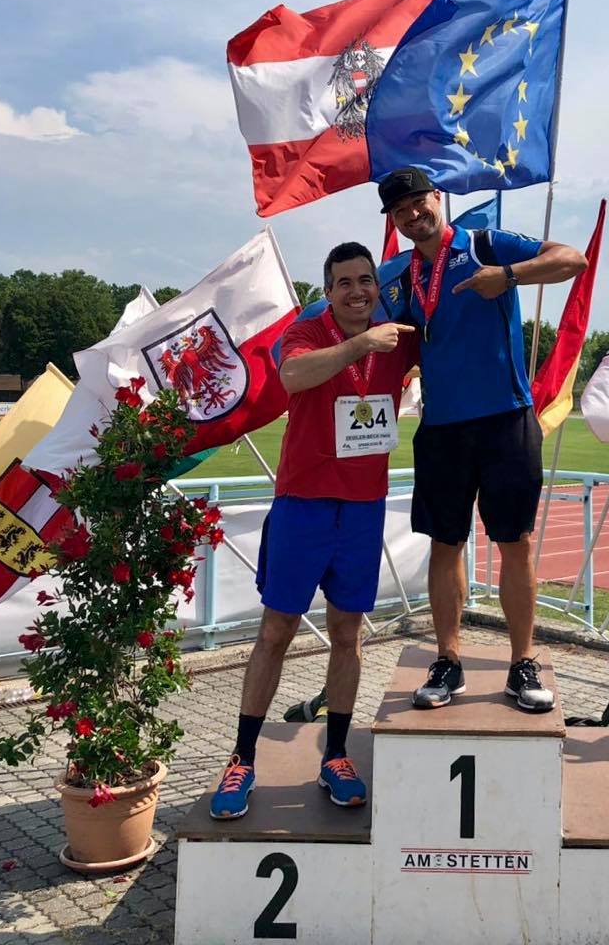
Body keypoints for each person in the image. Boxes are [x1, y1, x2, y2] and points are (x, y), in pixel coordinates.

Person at [210, 242, 418, 818]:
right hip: (303, 504)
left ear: (377, 287)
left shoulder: (398, 339)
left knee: (348, 633)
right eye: (343, 283)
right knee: (276, 630)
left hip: (363, 508)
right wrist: (360, 344)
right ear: (328, 292)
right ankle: (242, 759)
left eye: (365, 280)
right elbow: (292, 375)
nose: (356, 291)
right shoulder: (308, 332)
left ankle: (337, 755)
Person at [377, 166, 588, 713]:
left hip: (505, 420)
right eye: (400, 211)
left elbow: (573, 260)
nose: (412, 215)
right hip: (442, 427)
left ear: (436, 197)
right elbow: (360, 321)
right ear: (394, 221)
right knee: (444, 545)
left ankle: (522, 663)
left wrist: (509, 276)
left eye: (417, 202)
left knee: (514, 543)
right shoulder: (396, 275)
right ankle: (448, 660)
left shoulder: (485, 244)